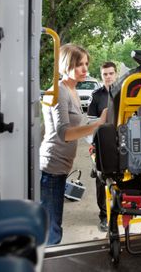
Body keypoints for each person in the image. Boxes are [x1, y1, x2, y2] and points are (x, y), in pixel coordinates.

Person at [40, 43, 107, 245]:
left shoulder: (73, 90)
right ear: (65, 65)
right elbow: (64, 133)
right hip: (51, 167)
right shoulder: (58, 91)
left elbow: (80, 125)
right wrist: (98, 124)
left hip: (61, 167)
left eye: (86, 63)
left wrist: (96, 136)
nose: (85, 69)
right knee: (52, 231)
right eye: (79, 64)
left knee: (53, 225)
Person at [87, 61, 117, 232]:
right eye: (105, 74)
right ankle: (104, 216)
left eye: (111, 73)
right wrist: (92, 144)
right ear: (101, 75)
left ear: (116, 73)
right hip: (100, 143)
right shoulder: (96, 95)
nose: (108, 77)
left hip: (120, 142)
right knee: (102, 179)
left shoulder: (123, 93)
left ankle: (121, 209)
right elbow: (90, 122)